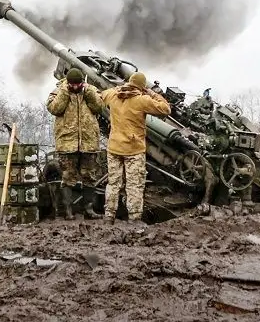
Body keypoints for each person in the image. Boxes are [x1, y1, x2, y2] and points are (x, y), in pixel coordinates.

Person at [99, 72, 171, 222]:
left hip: (114, 148)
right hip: (133, 150)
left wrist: (120, 88)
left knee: (113, 183)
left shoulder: (113, 95)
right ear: (142, 87)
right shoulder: (142, 100)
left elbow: (100, 96)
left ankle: (109, 216)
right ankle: (134, 219)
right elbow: (166, 109)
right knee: (134, 185)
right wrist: (151, 93)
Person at [45, 68, 104, 219]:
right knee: (68, 177)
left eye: (78, 84)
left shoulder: (91, 91)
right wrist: (65, 91)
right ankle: (68, 211)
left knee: (89, 177)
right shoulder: (58, 91)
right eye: (73, 84)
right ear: (68, 82)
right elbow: (55, 108)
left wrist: (88, 92)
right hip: (67, 143)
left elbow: (99, 107)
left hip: (88, 142)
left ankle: (88, 210)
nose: (76, 87)